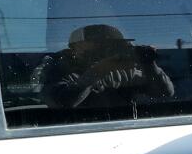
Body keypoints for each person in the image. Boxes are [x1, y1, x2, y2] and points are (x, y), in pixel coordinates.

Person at [33, 24, 175, 120]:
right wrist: (98, 71)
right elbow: (61, 102)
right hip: (73, 138)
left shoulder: (124, 70)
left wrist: (149, 64)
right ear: (75, 48)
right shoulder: (60, 67)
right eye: (101, 46)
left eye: (115, 46)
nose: (109, 52)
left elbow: (165, 92)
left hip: (125, 134)